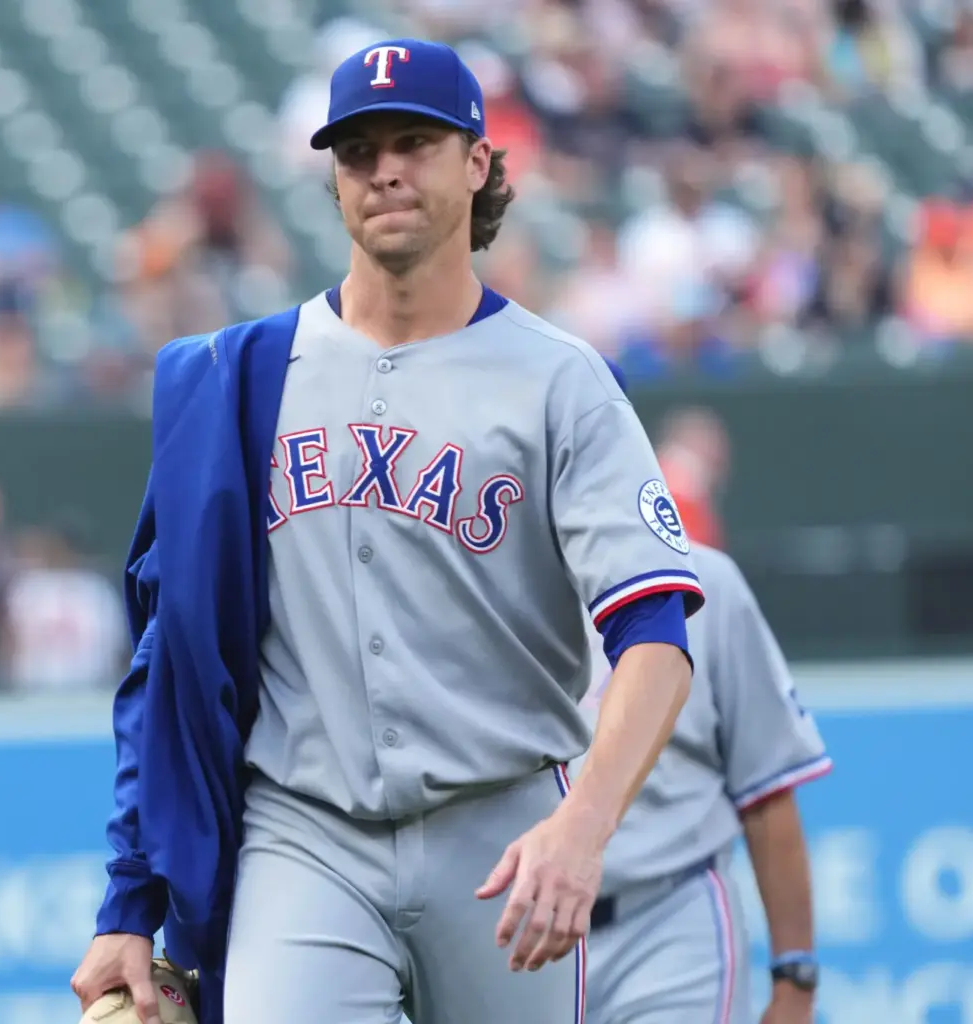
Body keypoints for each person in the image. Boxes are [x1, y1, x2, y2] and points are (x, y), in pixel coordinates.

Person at [70, 39, 702, 1024]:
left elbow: (656, 638)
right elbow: (168, 661)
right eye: (359, 151)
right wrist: (128, 902)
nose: (385, 170)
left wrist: (584, 825)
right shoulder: (237, 376)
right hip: (303, 832)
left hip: (502, 827)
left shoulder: (562, 379)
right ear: (334, 179)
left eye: (415, 142)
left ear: (479, 162)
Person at [578, 544, 829, 1024]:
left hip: (665, 922)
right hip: (514, 931)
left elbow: (766, 790)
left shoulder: (705, 580)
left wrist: (795, 977)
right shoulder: (487, 578)